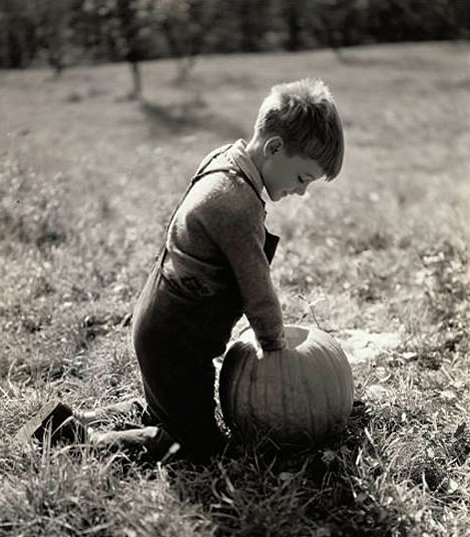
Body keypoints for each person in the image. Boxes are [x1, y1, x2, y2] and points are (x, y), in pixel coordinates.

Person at [77, 78, 344, 463]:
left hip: (162, 316)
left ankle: (97, 417)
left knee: (172, 406)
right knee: (196, 448)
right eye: (302, 178)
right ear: (274, 148)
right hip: (176, 339)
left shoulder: (227, 160)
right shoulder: (235, 207)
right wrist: (274, 344)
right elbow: (256, 286)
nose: (302, 192)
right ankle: (77, 438)